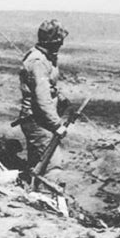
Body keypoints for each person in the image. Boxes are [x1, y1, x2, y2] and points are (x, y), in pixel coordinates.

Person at [19, 18, 69, 181]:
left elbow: (45, 86)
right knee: (51, 166)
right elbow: (41, 99)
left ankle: (32, 191)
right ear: (53, 41)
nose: (61, 44)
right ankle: (42, 199)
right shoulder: (38, 61)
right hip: (38, 121)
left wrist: (58, 95)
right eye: (59, 41)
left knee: (38, 163)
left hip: (40, 120)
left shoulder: (44, 57)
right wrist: (56, 125)